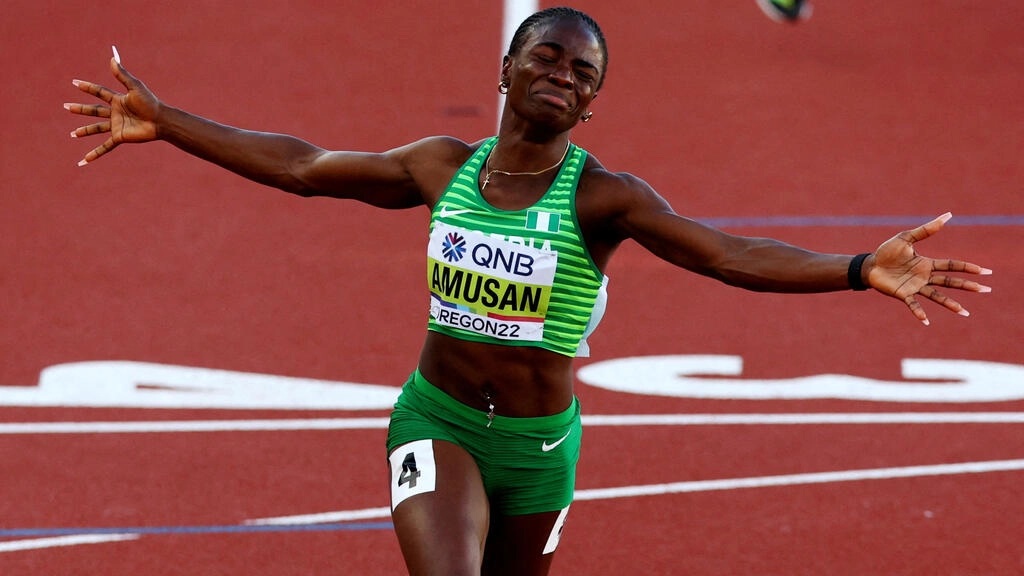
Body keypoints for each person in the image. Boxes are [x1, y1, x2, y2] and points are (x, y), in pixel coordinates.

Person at [65, 7, 991, 576]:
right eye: (547, 55)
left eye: (583, 72)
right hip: (438, 421)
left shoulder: (602, 197)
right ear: (506, 70)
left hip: (542, 450)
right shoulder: (440, 167)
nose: (563, 73)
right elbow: (307, 165)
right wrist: (168, 123)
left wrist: (854, 268)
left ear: (592, 106)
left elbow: (723, 252)